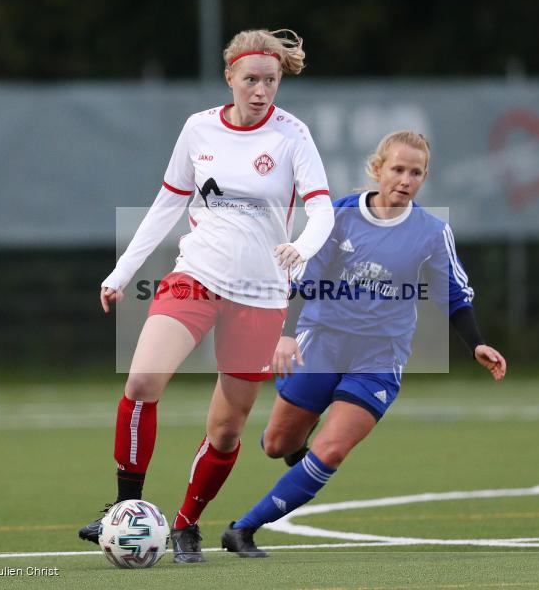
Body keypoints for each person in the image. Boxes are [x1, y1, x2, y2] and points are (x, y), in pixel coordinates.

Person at [77, 28, 335, 564]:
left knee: (226, 429)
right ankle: (125, 511)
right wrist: (122, 271)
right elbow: (168, 203)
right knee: (143, 381)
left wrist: (301, 248)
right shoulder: (198, 129)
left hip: (262, 294)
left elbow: (322, 209)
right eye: (251, 80)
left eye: (271, 80)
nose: (261, 90)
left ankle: (188, 524)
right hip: (196, 276)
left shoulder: (293, 135)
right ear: (230, 78)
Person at [219, 130, 507, 557]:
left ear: (424, 178)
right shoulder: (338, 216)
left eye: (416, 172)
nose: (405, 180)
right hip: (322, 343)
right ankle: (299, 437)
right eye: (397, 169)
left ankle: (243, 529)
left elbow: (455, 296)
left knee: (331, 450)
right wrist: (283, 334)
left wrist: (477, 344)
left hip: (379, 356)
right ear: (377, 169)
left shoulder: (431, 232)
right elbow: (301, 278)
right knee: (277, 444)